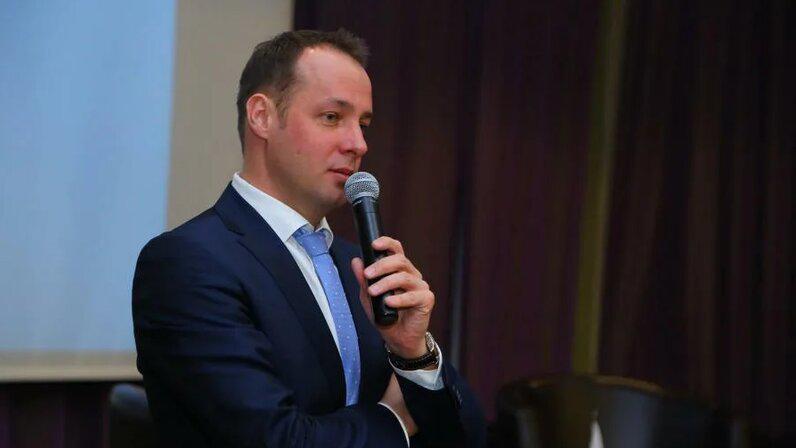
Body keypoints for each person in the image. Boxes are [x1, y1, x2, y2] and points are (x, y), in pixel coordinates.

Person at [132, 29, 485, 447]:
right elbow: (275, 439)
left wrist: (414, 353)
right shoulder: (188, 263)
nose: (358, 144)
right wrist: (394, 419)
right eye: (332, 117)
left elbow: (470, 434)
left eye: (364, 124)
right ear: (262, 116)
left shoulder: (360, 268)